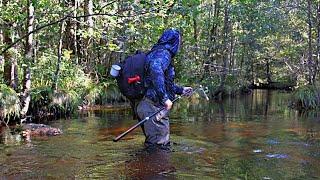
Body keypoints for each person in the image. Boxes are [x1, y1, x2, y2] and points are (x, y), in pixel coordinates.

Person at [136, 28, 192, 148]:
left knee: (155, 147)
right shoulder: (163, 54)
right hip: (154, 108)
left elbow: (161, 82)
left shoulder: (157, 52)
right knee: (159, 149)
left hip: (148, 107)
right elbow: (155, 69)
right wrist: (165, 98)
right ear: (174, 41)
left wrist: (181, 90)